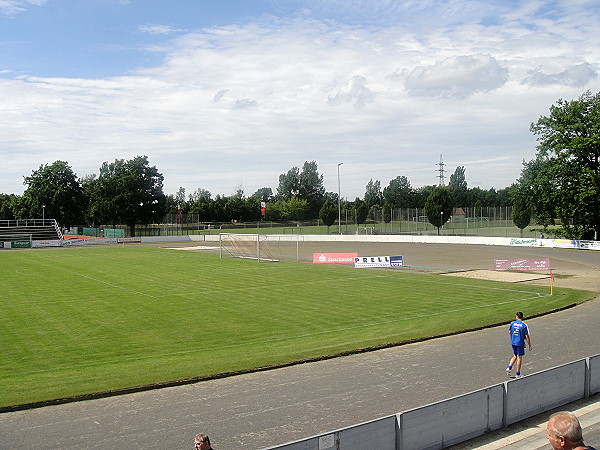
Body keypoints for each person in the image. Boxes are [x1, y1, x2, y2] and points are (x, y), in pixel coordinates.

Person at [506, 311, 532, 378]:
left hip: (513, 342)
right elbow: (527, 336)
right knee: (519, 357)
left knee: (515, 355)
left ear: (516, 316)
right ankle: (518, 373)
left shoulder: (512, 323)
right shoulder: (524, 325)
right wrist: (529, 345)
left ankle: (509, 367)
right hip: (519, 343)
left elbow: (509, 332)